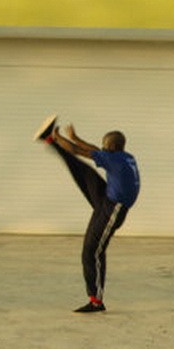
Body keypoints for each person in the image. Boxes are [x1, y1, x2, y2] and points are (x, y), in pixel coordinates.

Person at [35, 115, 140, 313]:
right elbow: (92, 149)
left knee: (92, 251)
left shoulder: (114, 160)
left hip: (113, 210)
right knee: (84, 172)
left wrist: (60, 137)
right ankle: (49, 140)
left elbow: (77, 150)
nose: (102, 147)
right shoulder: (125, 156)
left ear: (111, 147)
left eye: (105, 145)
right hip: (107, 198)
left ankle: (96, 301)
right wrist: (75, 137)